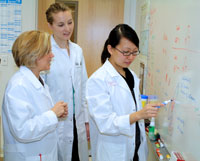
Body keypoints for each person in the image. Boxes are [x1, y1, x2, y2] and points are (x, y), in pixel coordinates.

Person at [86, 24, 163, 161]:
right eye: (126, 52)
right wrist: (139, 114)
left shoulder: (131, 75)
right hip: (114, 152)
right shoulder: (97, 80)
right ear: (110, 49)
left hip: (136, 149)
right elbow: (105, 124)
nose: (130, 57)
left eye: (134, 52)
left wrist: (143, 112)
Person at [2, 30, 68, 161]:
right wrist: (52, 114)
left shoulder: (38, 80)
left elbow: (38, 116)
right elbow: (22, 131)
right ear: (34, 55)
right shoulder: (18, 85)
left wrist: (56, 114)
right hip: (27, 156)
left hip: (42, 153)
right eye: (48, 52)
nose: (52, 55)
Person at [43, 3, 89, 161]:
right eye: (61, 24)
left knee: (77, 156)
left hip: (77, 122)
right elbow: (40, 91)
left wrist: (86, 121)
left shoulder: (77, 50)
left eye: (70, 22)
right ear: (50, 25)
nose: (67, 29)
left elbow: (84, 87)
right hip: (56, 123)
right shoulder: (44, 51)